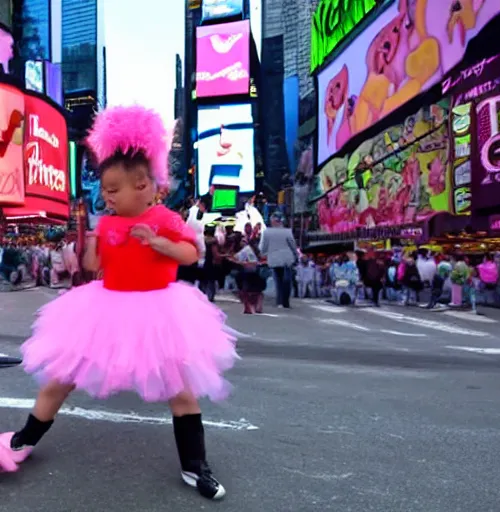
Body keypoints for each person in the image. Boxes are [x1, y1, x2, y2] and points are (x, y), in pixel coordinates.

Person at [0, 106, 237, 500]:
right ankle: (22, 441)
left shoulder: (165, 217)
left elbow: (190, 255)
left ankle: (196, 466)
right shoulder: (107, 223)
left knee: (180, 389)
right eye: (105, 190)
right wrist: (91, 245)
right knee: (61, 377)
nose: (106, 197)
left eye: (114, 189)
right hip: (105, 308)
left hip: (160, 310)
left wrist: (156, 242)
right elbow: (95, 269)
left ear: (144, 185)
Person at [259, 212, 298, 309]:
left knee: (278, 281)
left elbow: (263, 247)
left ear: (273, 221)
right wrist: (296, 255)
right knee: (287, 281)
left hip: (274, 259)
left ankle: (280, 301)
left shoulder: (267, 232)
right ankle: (286, 302)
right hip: (287, 259)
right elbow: (293, 245)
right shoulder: (287, 231)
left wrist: (263, 254)